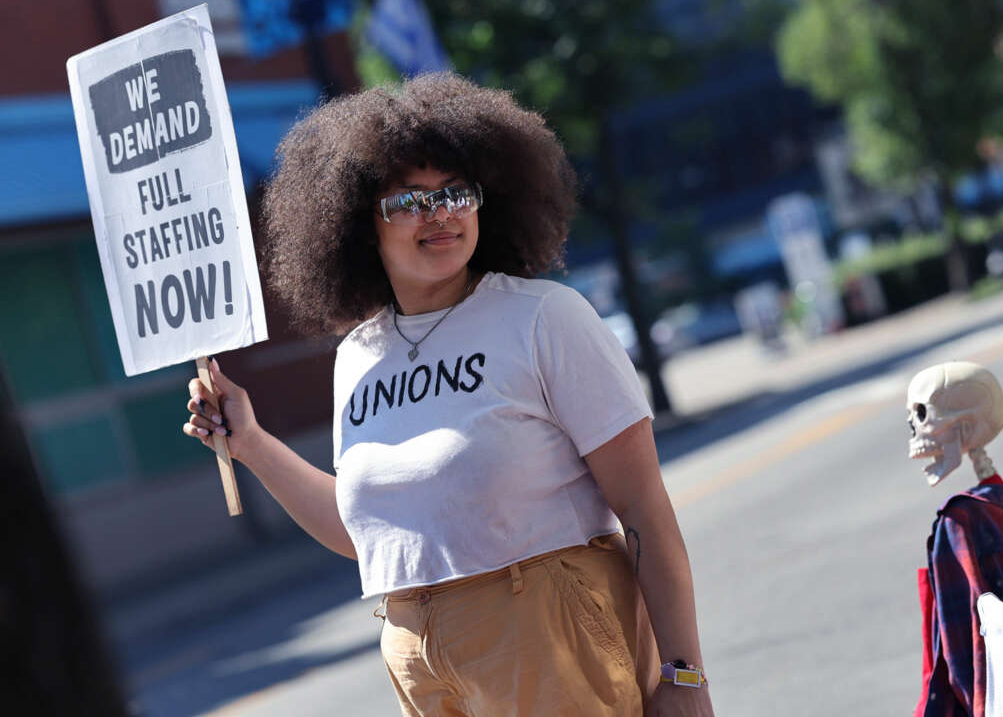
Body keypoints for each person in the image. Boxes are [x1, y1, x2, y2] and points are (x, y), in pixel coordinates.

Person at [182, 73, 714, 717]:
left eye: (456, 192)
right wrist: (253, 445)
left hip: (548, 630)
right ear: (357, 224)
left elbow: (647, 514)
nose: (440, 214)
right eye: (408, 201)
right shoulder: (358, 355)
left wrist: (684, 679)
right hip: (417, 652)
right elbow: (374, 538)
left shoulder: (545, 318)